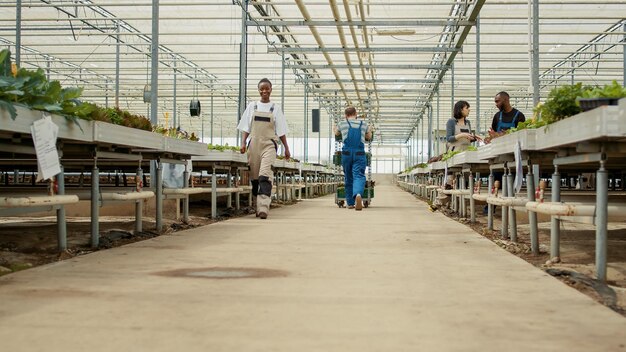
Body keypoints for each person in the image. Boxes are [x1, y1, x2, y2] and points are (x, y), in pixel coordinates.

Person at [238, 78, 291, 219]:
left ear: (271, 89)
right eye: (262, 89)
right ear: (259, 90)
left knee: (265, 175)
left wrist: (286, 148)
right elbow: (245, 128)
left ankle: (263, 208)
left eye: (267, 88)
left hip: (269, 144)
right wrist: (243, 143)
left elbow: (281, 131)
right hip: (254, 145)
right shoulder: (252, 106)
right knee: (255, 178)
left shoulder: (276, 108)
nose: (264, 91)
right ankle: (257, 204)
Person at [334, 106, 372, 211]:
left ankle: (350, 203)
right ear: (356, 114)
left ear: (346, 115)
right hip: (359, 153)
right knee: (358, 175)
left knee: (348, 177)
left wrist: (335, 127)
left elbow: (336, 133)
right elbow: (368, 137)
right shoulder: (364, 124)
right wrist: (370, 130)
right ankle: (358, 194)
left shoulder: (342, 123)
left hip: (346, 153)